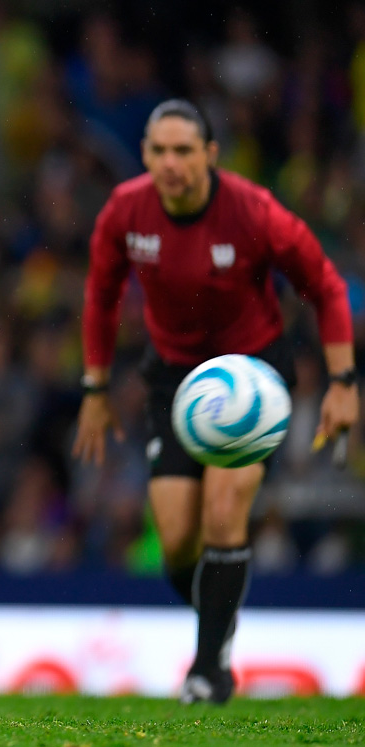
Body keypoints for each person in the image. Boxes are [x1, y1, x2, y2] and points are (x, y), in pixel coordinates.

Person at [72, 99, 358, 704]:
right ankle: (219, 626)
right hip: (174, 380)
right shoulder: (125, 210)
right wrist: (95, 388)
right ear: (145, 155)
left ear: (210, 154)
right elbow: (99, 297)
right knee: (176, 541)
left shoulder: (253, 212)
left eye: (183, 151)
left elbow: (326, 287)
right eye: (159, 151)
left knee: (224, 512)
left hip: (253, 380)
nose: (170, 164)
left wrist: (342, 382)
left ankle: (208, 671)